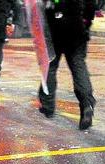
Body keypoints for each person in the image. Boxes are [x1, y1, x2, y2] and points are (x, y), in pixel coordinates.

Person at [38, 0, 96, 130]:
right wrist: (86, 22)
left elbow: (41, 7)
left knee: (50, 67)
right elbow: (91, 5)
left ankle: (48, 105)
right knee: (78, 67)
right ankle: (87, 104)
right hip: (76, 27)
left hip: (54, 29)